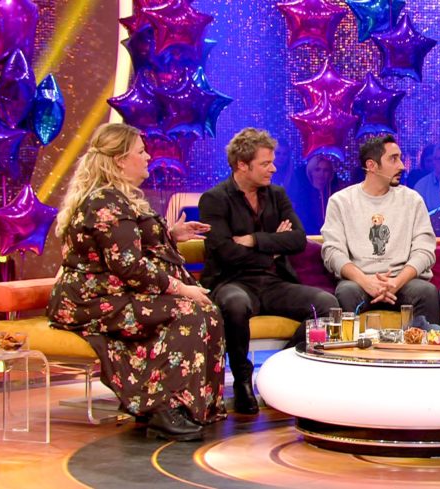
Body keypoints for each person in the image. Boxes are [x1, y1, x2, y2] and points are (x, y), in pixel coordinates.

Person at [47, 123, 225, 441]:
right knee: (187, 312)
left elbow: (129, 243)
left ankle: (189, 407)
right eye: (140, 152)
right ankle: (161, 409)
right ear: (119, 160)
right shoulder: (105, 202)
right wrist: (181, 288)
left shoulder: (121, 198)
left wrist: (171, 235)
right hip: (91, 300)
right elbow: (128, 265)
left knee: (207, 311)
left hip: (117, 292)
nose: (148, 157)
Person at [199, 128, 338, 415]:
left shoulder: (276, 194)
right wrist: (273, 247)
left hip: (274, 282)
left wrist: (254, 240)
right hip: (233, 281)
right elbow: (225, 252)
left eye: (272, 162)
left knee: (326, 305)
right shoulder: (215, 199)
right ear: (242, 165)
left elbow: (297, 240)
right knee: (235, 304)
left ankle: (280, 367)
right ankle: (242, 381)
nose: (273, 168)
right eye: (265, 163)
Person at [321, 135, 440, 324]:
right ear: (371, 166)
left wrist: (396, 282)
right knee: (346, 291)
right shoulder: (341, 201)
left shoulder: (412, 200)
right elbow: (333, 252)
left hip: (403, 282)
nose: (401, 166)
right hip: (359, 282)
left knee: (426, 292)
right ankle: (349, 344)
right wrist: (366, 282)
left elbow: (424, 250)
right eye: (393, 159)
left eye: (400, 158)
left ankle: (426, 343)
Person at [287, 153, 344, 234]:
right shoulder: (301, 196)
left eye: (326, 170)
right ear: (311, 172)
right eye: (317, 170)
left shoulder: (335, 195)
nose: (321, 174)